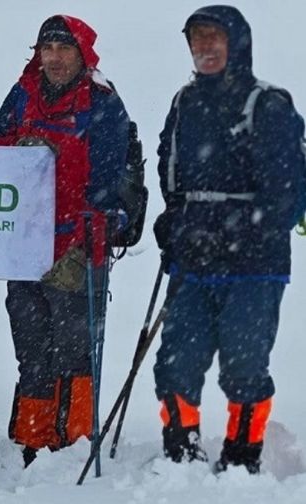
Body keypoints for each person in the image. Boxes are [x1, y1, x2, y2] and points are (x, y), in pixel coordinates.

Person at [152, 5, 306, 474]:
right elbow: (169, 167)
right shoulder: (184, 102)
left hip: (253, 265)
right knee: (176, 361)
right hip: (193, 259)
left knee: (243, 365)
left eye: (214, 38)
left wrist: (230, 230)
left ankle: (242, 456)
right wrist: (174, 219)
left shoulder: (268, 104)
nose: (205, 48)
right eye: (197, 39)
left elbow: (287, 191)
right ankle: (181, 449)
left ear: (237, 43)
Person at [0, 15, 131, 467]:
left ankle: (75, 439)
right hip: (23, 244)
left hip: (78, 247)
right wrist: (20, 144)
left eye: (65, 49)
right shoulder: (23, 93)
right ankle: (33, 437)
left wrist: (85, 239)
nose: (55, 58)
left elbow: (108, 178)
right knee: (32, 348)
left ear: (83, 55)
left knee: (75, 350)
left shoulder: (102, 102)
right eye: (48, 49)